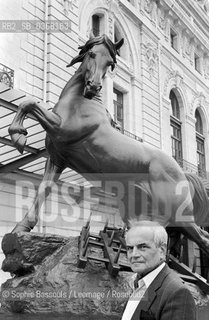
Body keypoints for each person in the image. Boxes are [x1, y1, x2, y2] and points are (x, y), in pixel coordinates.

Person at [122, 220, 197, 320]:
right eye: (130, 248)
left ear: (162, 251)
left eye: (143, 247)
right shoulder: (138, 283)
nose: (134, 255)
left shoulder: (177, 294)